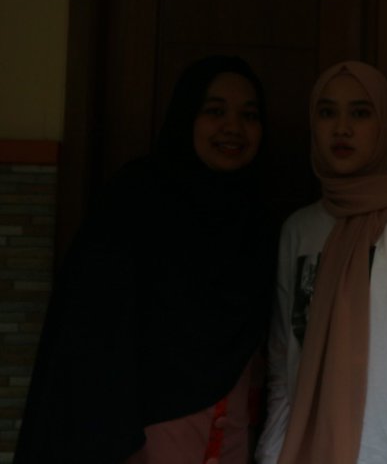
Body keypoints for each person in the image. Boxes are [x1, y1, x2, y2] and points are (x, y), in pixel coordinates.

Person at [13, 55, 276, 464]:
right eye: (214, 111)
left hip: (232, 435)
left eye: (249, 115)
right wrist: (113, 439)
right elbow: (93, 331)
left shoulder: (258, 220)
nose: (233, 127)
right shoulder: (137, 200)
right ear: (186, 117)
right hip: (142, 437)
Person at [255, 61, 387, 464]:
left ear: (383, 124)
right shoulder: (299, 230)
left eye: (360, 113)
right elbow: (284, 366)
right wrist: (271, 454)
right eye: (327, 112)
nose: (342, 128)